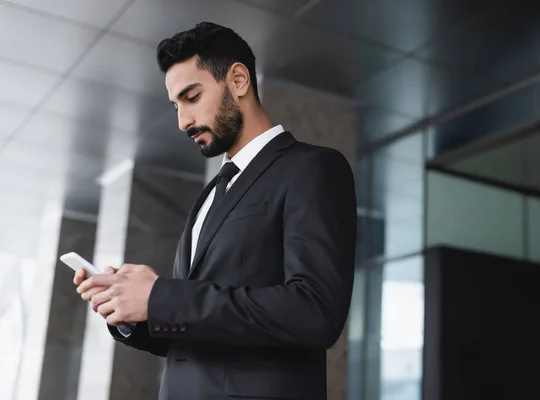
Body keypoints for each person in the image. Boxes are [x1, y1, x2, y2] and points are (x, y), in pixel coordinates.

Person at [74, 21, 357, 400]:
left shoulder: (312, 168)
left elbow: (315, 311)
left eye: (191, 97)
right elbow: (199, 332)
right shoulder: (209, 195)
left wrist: (161, 297)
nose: (182, 121)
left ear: (238, 80)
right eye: (176, 106)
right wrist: (130, 309)